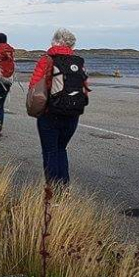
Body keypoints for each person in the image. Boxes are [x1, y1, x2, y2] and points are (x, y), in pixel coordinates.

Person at [27, 28, 89, 185]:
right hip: (72, 114)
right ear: (71, 45)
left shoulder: (46, 60)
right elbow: (84, 90)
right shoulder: (78, 63)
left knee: (50, 152)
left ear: (54, 41)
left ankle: (52, 192)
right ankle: (64, 188)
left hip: (50, 113)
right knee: (61, 149)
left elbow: (34, 86)